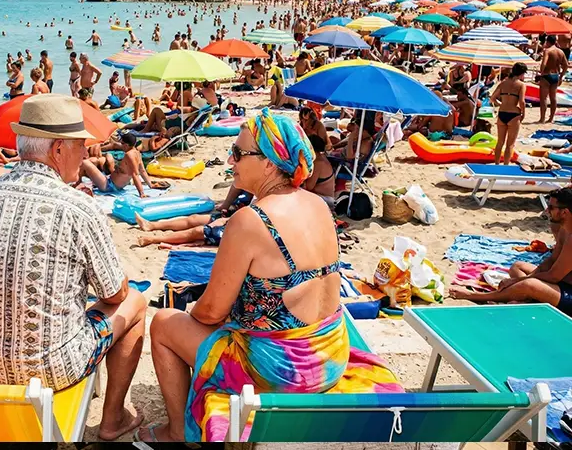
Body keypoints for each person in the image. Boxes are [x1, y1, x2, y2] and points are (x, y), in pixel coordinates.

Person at [138, 109, 400, 442]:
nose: (230, 160)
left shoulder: (251, 220)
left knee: (163, 322)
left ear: (268, 163)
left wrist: (197, 315)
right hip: (331, 355)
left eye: (238, 153)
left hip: (281, 371)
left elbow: (211, 311)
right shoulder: (320, 205)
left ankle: (176, 432)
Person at [0, 95, 146, 440]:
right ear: (58, 149)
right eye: (81, 146)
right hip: (48, 369)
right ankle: (113, 418)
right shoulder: (77, 207)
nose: (86, 155)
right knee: (135, 304)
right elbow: (114, 292)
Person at [450, 187, 572, 317]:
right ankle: (528, 299)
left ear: (564, 212)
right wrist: (533, 273)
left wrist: (516, 281)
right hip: (562, 283)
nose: (547, 211)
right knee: (518, 266)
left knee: (529, 284)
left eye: (551, 208)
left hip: (568, 295)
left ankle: (478, 296)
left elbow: (554, 276)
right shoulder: (564, 229)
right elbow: (552, 260)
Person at [81, 133, 162, 198]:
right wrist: (150, 184)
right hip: (112, 183)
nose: (121, 145)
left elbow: (135, 174)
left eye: (122, 143)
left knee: (85, 162)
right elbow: (142, 170)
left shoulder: (129, 155)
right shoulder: (137, 153)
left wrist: (141, 193)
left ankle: (77, 183)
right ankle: (83, 181)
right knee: (101, 160)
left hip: (108, 185)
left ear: (126, 145)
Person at [490, 62, 527, 165]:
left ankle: (497, 164)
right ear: (522, 73)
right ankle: (506, 166)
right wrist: (523, 113)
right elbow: (522, 101)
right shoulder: (521, 85)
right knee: (510, 144)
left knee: (500, 142)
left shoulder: (503, 83)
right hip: (514, 115)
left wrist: (501, 104)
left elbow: (492, 98)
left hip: (502, 113)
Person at [539, 35, 569, 123]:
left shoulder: (547, 51)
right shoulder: (560, 52)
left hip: (547, 75)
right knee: (553, 98)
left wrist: (541, 72)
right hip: (556, 75)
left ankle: (542, 118)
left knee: (543, 98)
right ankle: (551, 118)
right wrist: (561, 76)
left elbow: (544, 63)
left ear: (547, 41)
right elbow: (566, 65)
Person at [303, 135, 335, 207]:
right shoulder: (321, 157)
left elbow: (308, 187)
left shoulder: (317, 163)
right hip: (325, 198)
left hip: (325, 200)